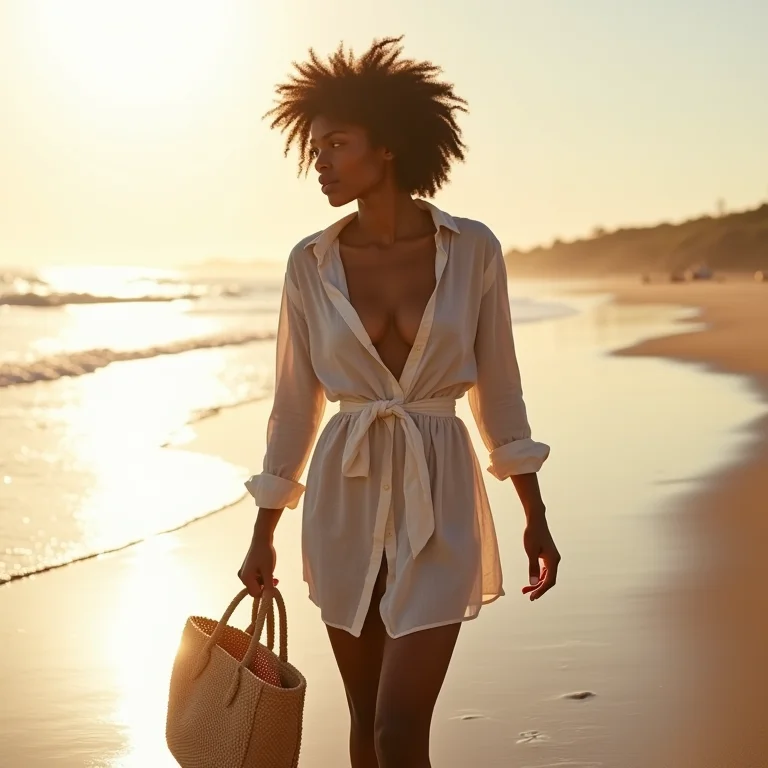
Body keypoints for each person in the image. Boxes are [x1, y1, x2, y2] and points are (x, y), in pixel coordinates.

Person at [238, 36, 561, 768]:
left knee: (397, 727)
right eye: (314, 148)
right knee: (363, 720)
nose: (318, 161)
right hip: (342, 499)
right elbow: (294, 407)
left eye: (335, 144)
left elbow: (499, 389)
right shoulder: (309, 264)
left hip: (439, 494)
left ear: (387, 147)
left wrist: (534, 515)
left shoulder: (471, 249)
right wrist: (263, 530)